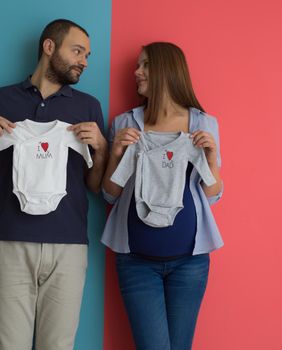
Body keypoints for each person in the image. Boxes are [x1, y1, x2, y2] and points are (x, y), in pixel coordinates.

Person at [0, 19, 108, 350]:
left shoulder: (88, 107)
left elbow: (95, 186)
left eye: (87, 54)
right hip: (9, 243)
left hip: (68, 246)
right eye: (77, 50)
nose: (84, 60)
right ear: (49, 47)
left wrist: (101, 149)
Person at [101, 42, 224, 350]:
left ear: (165, 71)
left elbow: (213, 196)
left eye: (144, 65)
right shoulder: (125, 123)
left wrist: (209, 157)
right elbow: (109, 195)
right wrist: (116, 154)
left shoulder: (203, 125)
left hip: (191, 263)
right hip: (136, 262)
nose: (136, 72)